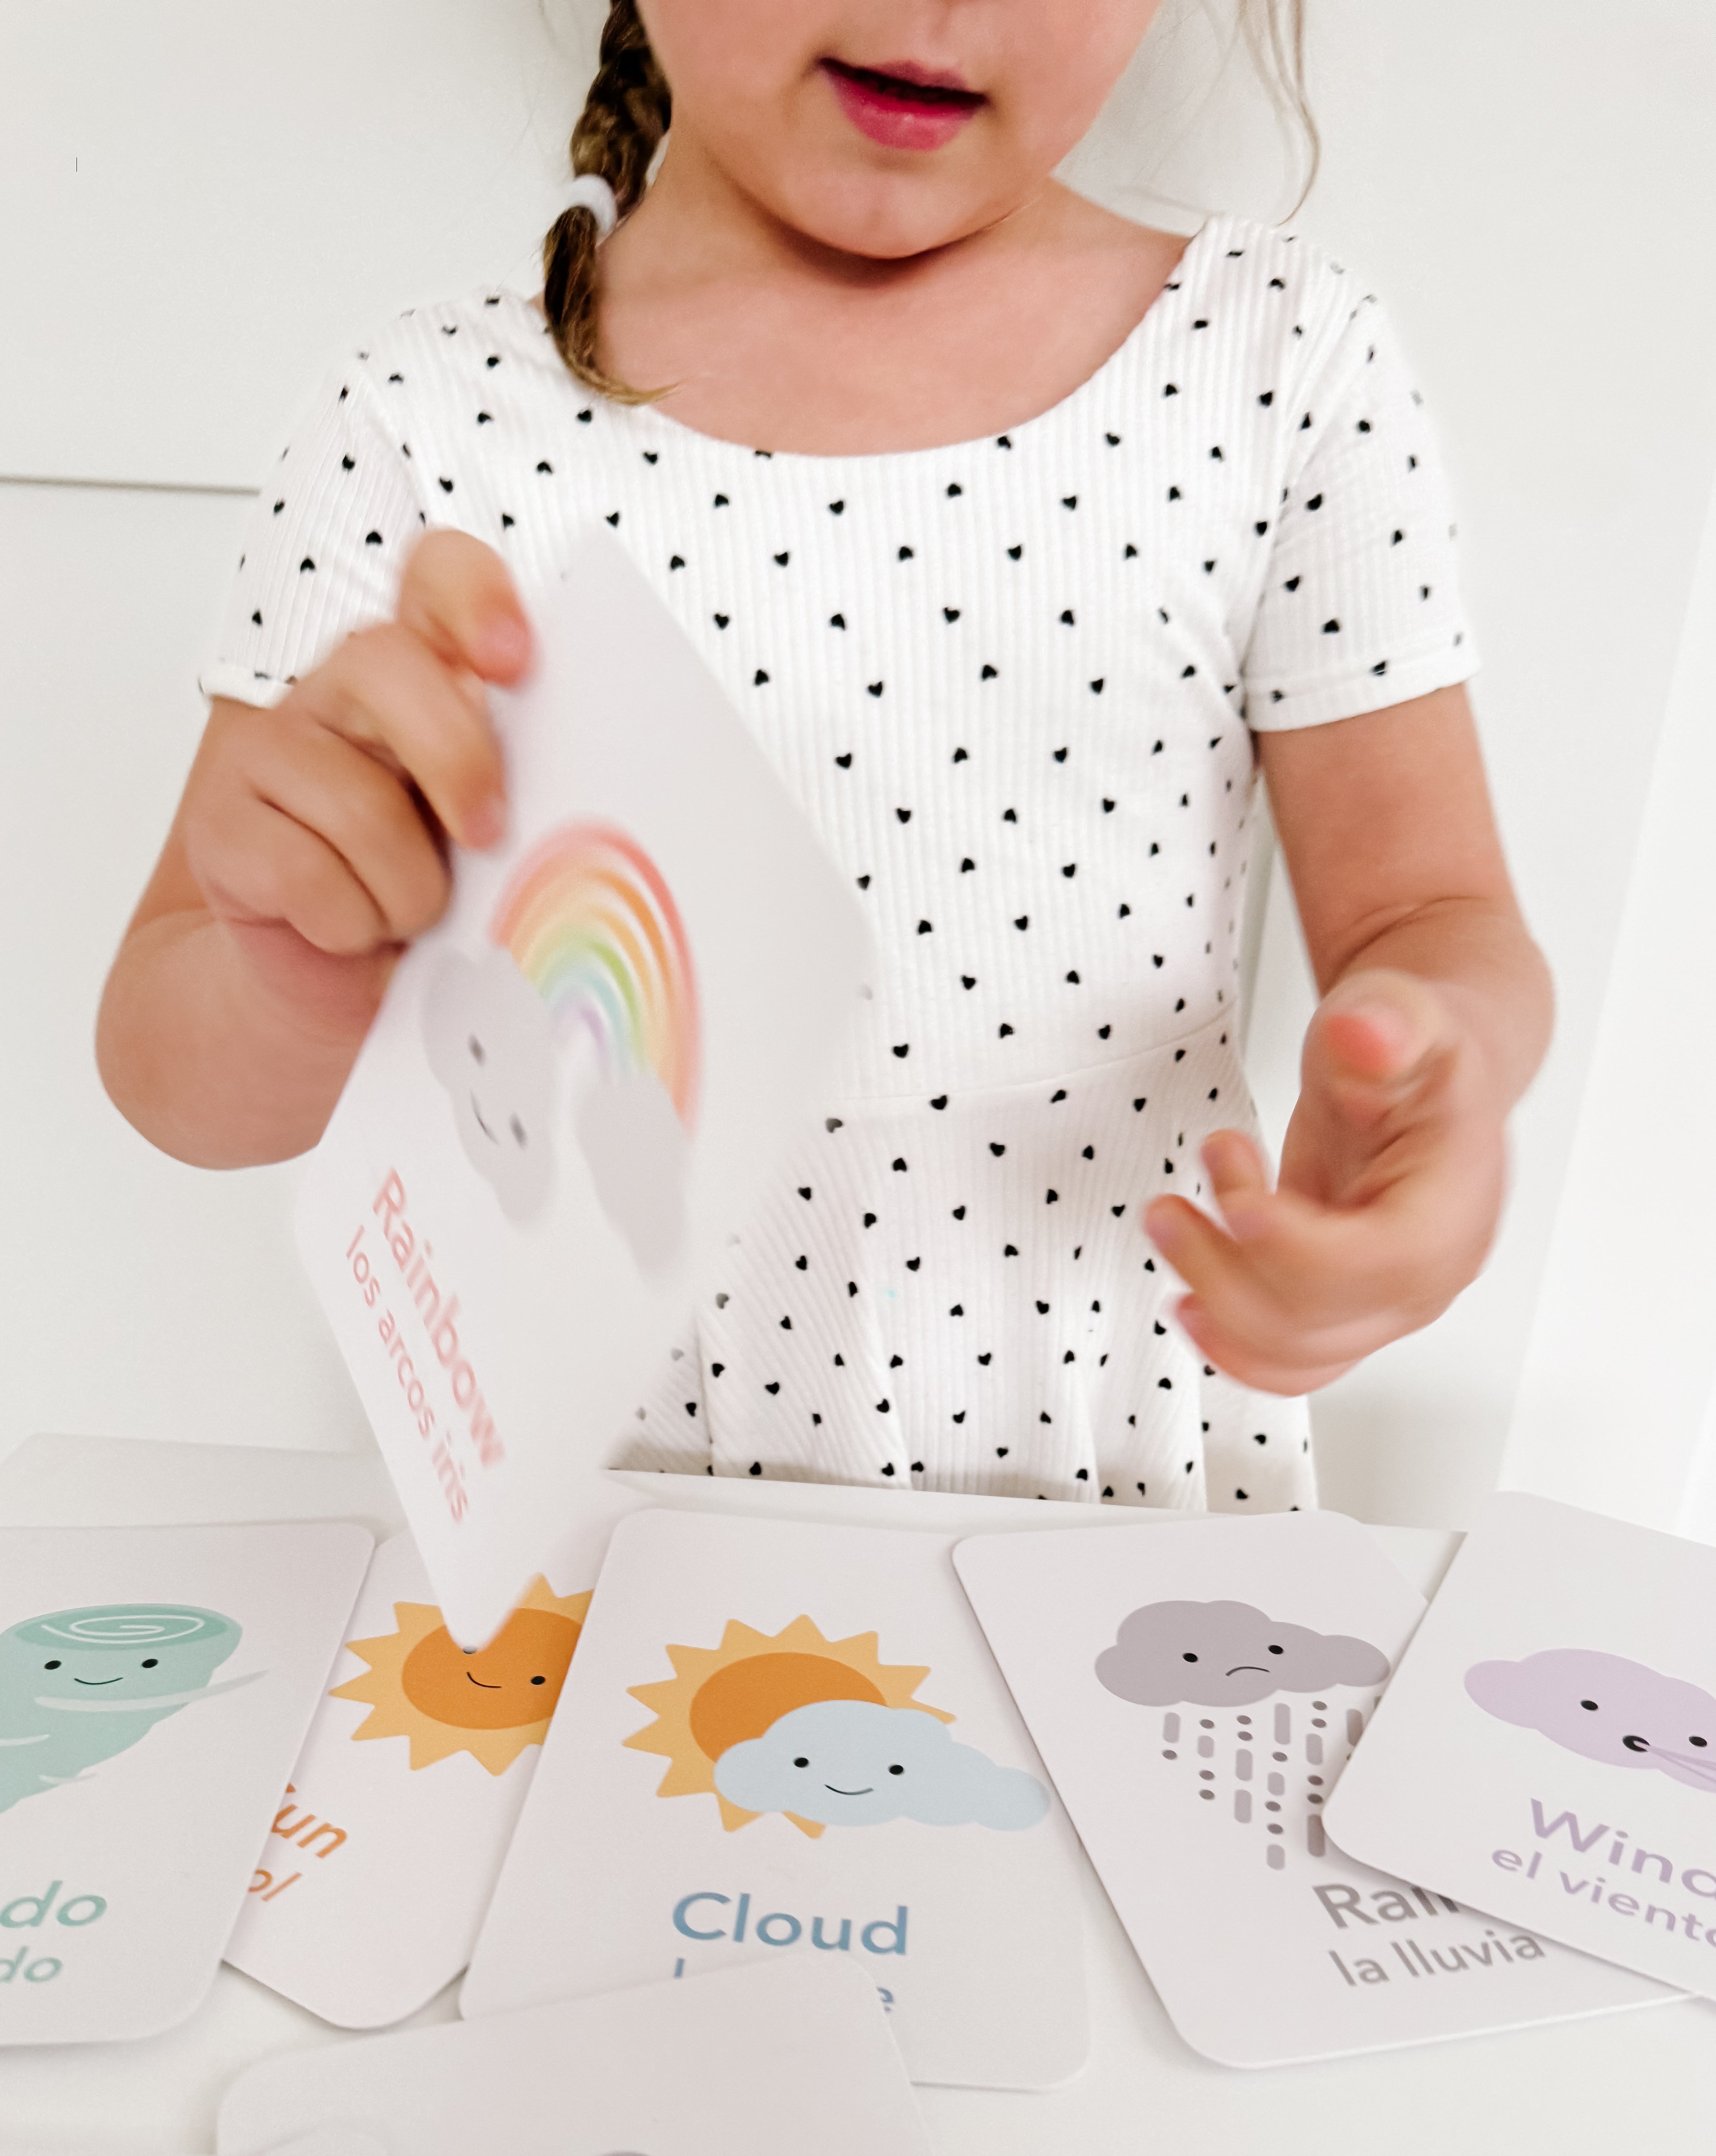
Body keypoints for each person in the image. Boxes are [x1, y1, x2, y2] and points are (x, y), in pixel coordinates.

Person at [97, 0, 1550, 1514]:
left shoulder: (1273, 358)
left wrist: (1435, 1086)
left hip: (1101, 1466)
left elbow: (1428, 916)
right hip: (587, 1498)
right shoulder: (423, 419)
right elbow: (167, 1061)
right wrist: (297, 978)